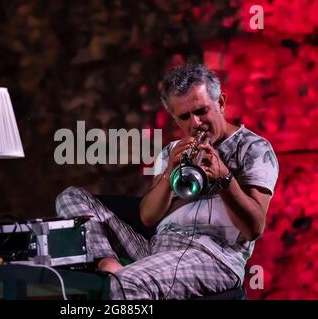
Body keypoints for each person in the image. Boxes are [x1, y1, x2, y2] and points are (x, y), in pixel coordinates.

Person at [56, 64, 279, 300]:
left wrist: (224, 178)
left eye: (201, 111)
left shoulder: (254, 148)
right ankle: (108, 264)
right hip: (158, 249)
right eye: (184, 117)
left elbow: (254, 228)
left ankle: (119, 280)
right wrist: (169, 172)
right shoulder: (172, 151)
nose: (195, 123)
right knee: (70, 197)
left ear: (221, 103)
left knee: (125, 285)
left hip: (213, 256)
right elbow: (148, 217)